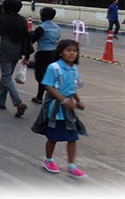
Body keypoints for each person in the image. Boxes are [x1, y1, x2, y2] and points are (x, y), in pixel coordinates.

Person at [33, 39, 88, 178]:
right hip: (55, 110)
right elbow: (48, 86)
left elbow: (72, 87)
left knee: (73, 137)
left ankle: (71, 165)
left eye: (74, 51)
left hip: (68, 109)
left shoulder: (74, 69)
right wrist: (62, 100)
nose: (72, 53)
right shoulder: (54, 67)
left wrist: (78, 101)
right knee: (53, 137)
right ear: (60, 52)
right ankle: (48, 160)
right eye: (68, 50)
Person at [0, 0, 31, 118]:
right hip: (17, 50)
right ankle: (1, 101)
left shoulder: (3, 19)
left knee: (6, 77)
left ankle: (19, 103)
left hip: (5, 48)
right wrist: (27, 54)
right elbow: (26, 38)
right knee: (6, 75)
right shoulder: (22, 20)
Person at [31, 7, 61, 105]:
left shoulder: (41, 28)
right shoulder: (57, 27)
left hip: (43, 53)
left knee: (41, 76)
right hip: (54, 53)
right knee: (49, 74)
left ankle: (48, 96)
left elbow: (33, 39)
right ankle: (40, 96)